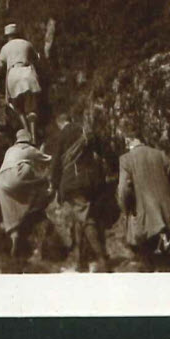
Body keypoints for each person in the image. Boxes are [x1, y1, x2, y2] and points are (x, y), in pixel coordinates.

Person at [116, 128, 170, 270]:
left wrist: (126, 209)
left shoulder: (126, 160)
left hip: (145, 221)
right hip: (169, 217)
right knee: (167, 261)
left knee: (149, 263)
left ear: (129, 141)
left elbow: (123, 191)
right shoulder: (160, 155)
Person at [50, 113, 109, 271]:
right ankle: (80, 261)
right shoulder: (85, 130)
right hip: (91, 181)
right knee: (79, 219)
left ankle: (102, 259)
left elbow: (56, 163)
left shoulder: (63, 134)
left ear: (60, 123)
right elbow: (102, 151)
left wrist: (54, 185)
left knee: (86, 218)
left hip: (74, 182)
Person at [0, 128, 53, 257]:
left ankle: (14, 236)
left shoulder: (10, 150)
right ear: (28, 140)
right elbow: (47, 159)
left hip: (1, 181)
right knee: (29, 169)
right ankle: (44, 191)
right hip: (17, 175)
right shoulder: (28, 149)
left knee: (9, 211)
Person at [0, 23, 43, 144]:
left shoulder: (5, 48)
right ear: (18, 34)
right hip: (28, 74)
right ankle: (34, 137)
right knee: (31, 108)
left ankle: (26, 133)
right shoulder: (27, 43)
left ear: (7, 36)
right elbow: (37, 58)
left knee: (17, 106)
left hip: (14, 76)